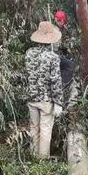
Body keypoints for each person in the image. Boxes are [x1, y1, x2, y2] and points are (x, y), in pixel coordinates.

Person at [25, 21, 63, 158]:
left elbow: (28, 75)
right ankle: (42, 161)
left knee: (34, 128)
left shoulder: (28, 53)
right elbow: (56, 81)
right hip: (46, 100)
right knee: (46, 130)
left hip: (31, 97)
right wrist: (58, 103)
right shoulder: (53, 57)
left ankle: (33, 157)